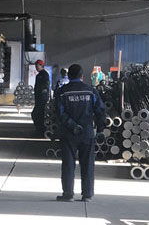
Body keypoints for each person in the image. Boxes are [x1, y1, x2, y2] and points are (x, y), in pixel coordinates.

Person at [55, 63, 106, 202]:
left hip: (68, 133)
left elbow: (60, 113)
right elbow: (100, 111)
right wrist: (100, 130)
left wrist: (72, 125)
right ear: (82, 76)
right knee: (88, 163)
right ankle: (87, 195)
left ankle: (68, 194)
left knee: (68, 164)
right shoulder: (91, 91)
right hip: (87, 133)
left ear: (69, 76)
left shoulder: (62, 92)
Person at [31, 59, 50, 136]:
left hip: (42, 99)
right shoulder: (39, 75)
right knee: (37, 114)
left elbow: (46, 86)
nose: (36, 67)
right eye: (35, 66)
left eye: (37, 66)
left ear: (41, 65)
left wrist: (43, 97)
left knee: (37, 114)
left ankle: (41, 130)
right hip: (38, 98)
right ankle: (39, 130)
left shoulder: (44, 75)